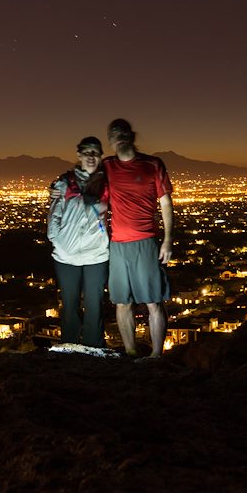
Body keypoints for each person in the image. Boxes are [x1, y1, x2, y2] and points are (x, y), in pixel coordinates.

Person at [101, 118, 173, 359]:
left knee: (153, 300)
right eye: (114, 134)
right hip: (117, 244)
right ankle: (130, 351)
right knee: (122, 301)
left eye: (122, 133)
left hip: (146, 241)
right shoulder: (107, 166)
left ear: (132, 136)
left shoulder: (152, 164)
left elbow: (165, 202)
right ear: (110, 141)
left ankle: (156, 355)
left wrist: (168, 240)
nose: (119, 138)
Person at [46, 136, 109, 347]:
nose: (91, 156)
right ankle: (70, 346)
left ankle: (94, 348)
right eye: (87, 152)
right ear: (79, 155)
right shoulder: (65, 183)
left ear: (101, 156)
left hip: (96, 253)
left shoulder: (107, 184)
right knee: (70, 304)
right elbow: (54, 214)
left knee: (94, 305)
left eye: (95, 153)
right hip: (66, 255)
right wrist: (57, 240)